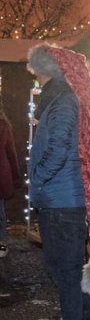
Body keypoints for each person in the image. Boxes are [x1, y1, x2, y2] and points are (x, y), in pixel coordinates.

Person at [27, 44, 90, 320]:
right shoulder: (62, 97)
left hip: (61, 201)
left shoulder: (61, 100)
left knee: (66, 273)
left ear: (40, 69)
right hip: (64, 198)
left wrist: (37, 179)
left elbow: (58, 148)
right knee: (72, 271)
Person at [0, 103, 22, 258]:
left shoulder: (4, 126)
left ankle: (1, 241)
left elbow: (10, 152)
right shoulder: (4, 126)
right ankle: (1, 242)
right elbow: (11, 152)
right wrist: (15, 176)